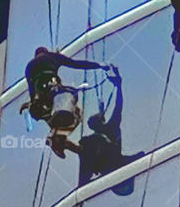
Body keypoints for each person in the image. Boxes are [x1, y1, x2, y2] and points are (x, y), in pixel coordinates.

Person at [53, 66, 143, 194]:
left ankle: (61, 142)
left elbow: (118, 107)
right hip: (109, 166)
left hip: (115, 164)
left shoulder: (108, 130)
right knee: (88, 145)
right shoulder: (94, 139)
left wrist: (119, 86)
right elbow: (118, 108)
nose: (96, 116)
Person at [22, 47, 113, 137]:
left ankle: (54, 124)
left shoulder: (30, 65)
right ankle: (63, 116)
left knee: (45, 107)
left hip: (41, 89)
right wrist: (99, 65)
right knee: (67, 95)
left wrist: (33, 101)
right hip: (52, 83)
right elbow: (76, 64)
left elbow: (31, 87)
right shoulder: (52, 56)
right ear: (46, 51)